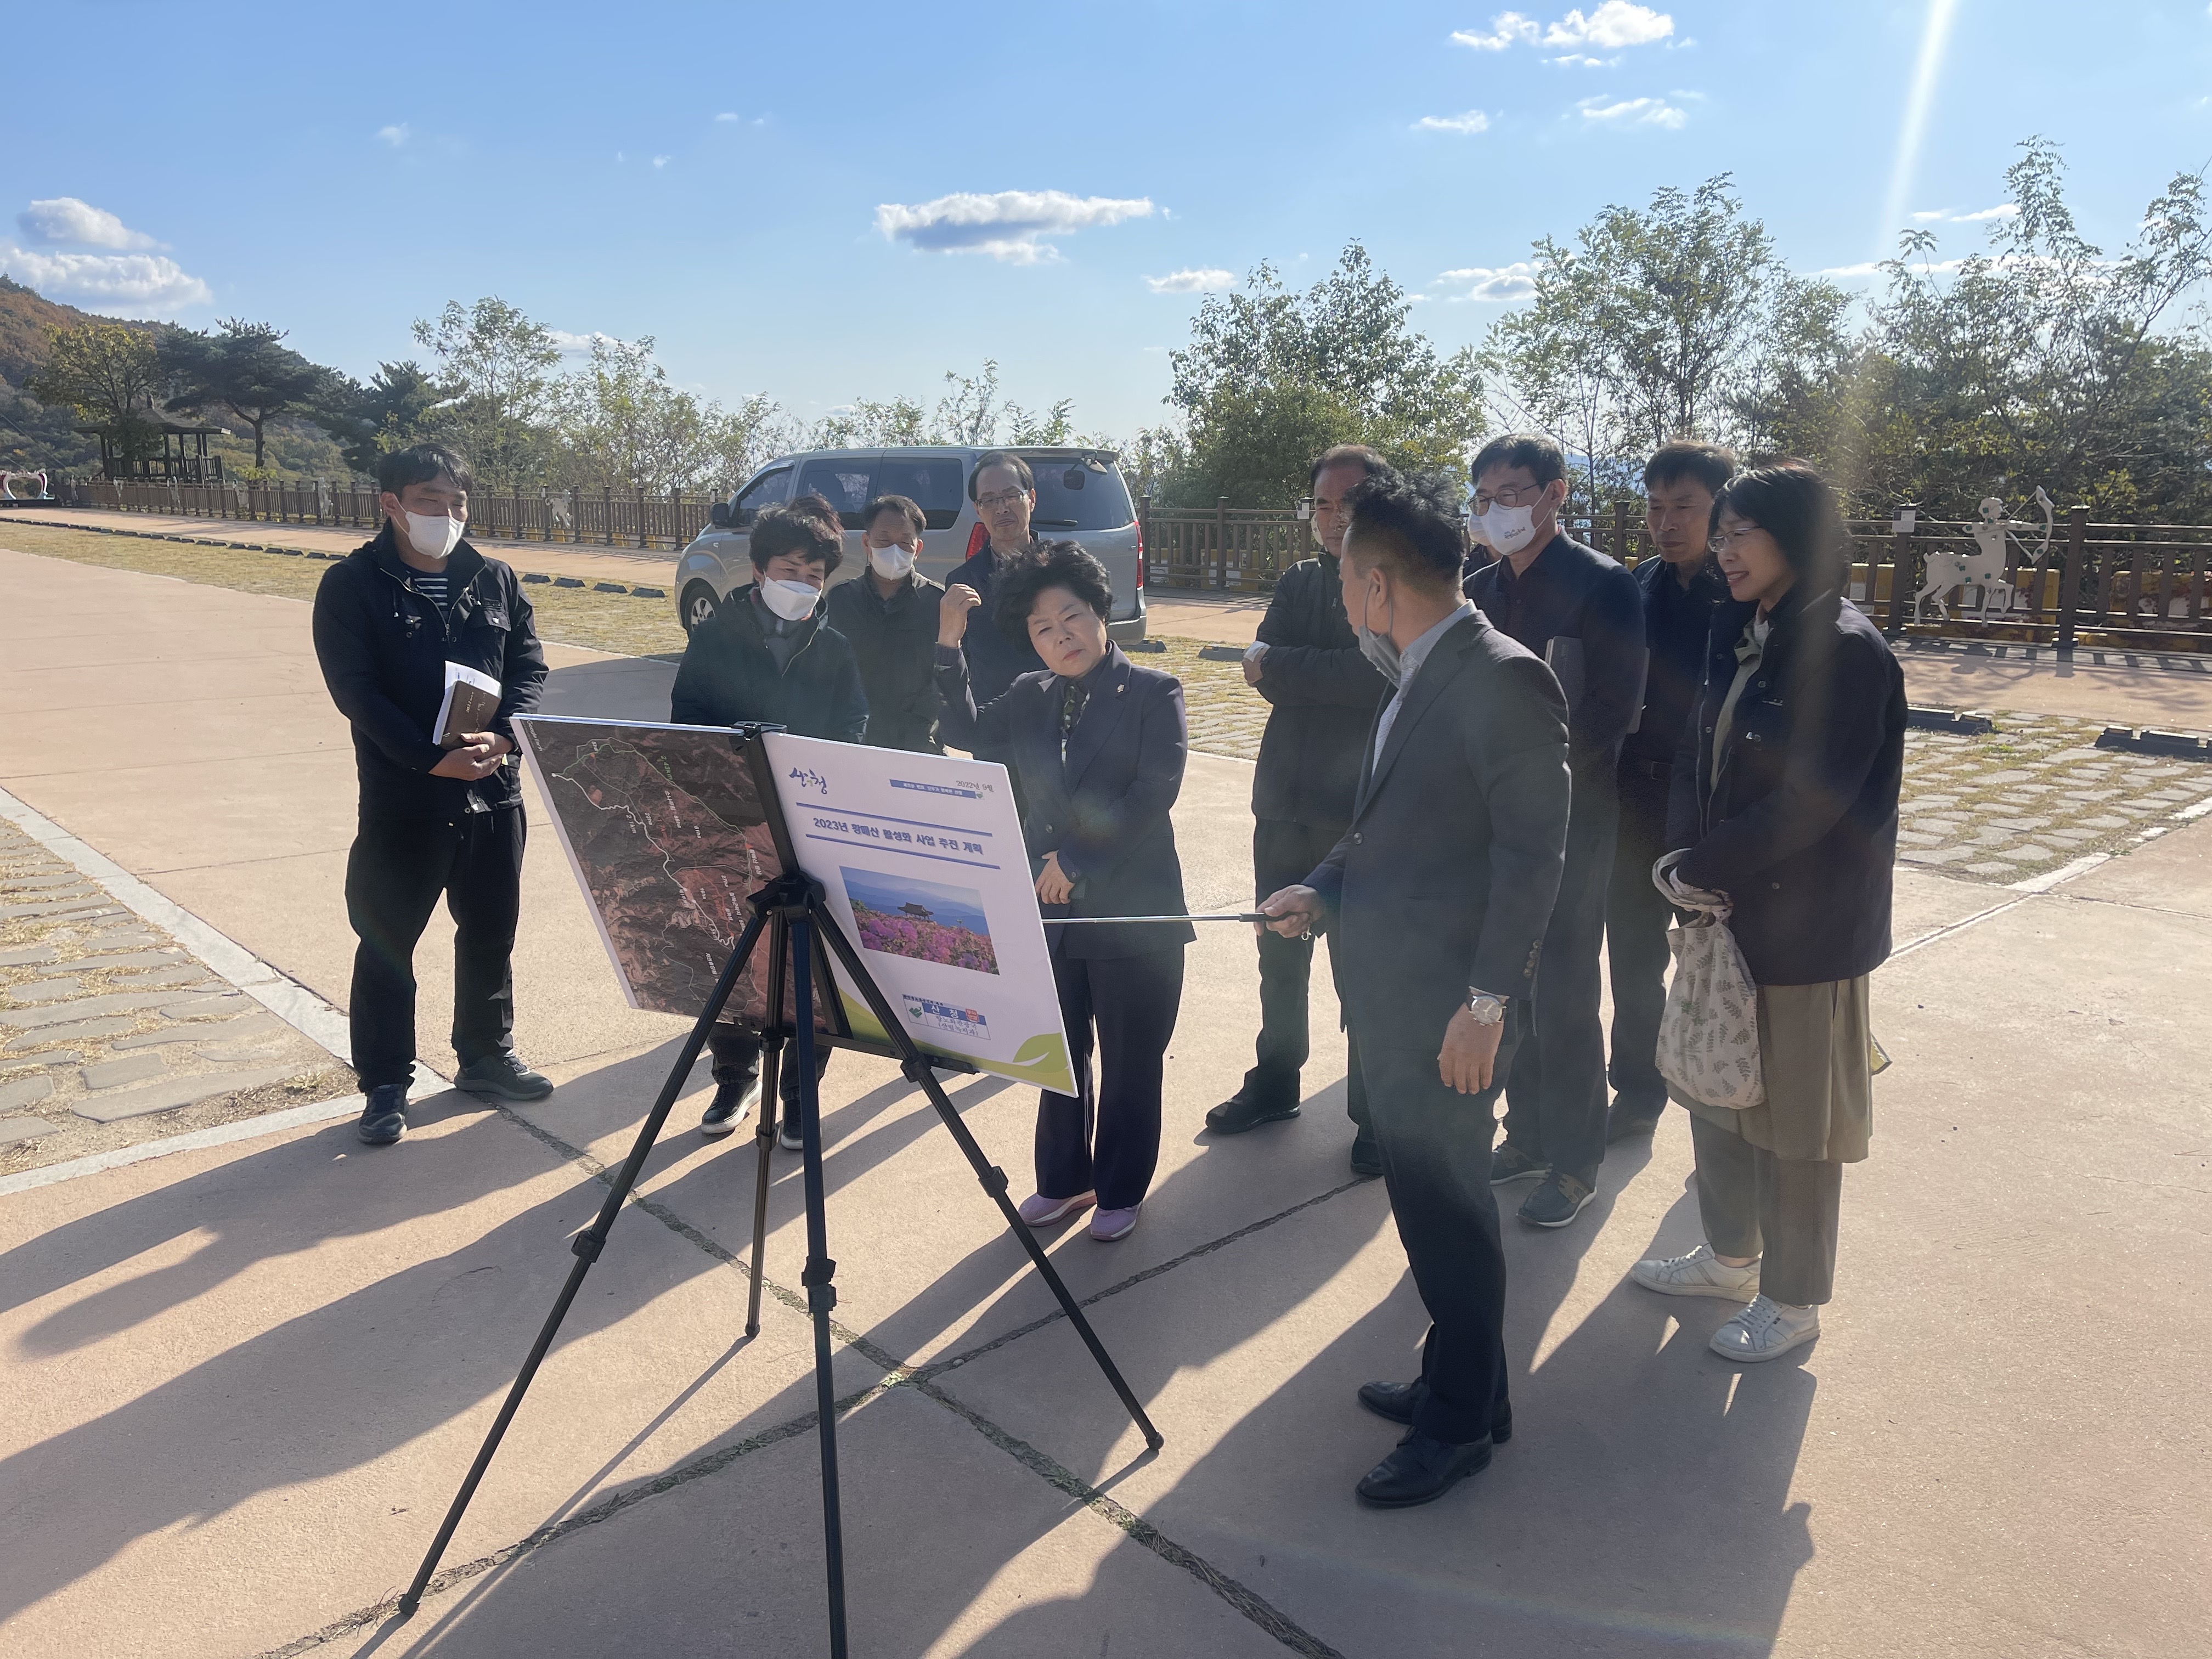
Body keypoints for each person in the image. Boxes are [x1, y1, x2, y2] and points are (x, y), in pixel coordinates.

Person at [1259, 473, 1569, 1509]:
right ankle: (1468, 1384)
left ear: (1376, 579)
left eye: (1344, 575)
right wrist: (1322, 885)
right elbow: (1388, 824)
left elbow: (1533, 860)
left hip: (1450, 1012)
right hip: (1392, 993)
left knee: (1449, 1213)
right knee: (1425, 1206)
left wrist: (1484, 1005)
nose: (1338, 593)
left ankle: (1457, 1429)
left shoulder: (1501, 678)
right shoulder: (1414, 668)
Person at [1629, 461, 1905, 1362]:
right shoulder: (1739, 630)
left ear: (1798, 537)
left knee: (1796, 1123)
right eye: (1724, 530)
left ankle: (1791, 1299)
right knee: (1716, 1088)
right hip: (1723, 911)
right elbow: (1687, 755)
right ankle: (1727, 1255)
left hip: (1805, 929)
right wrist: (1678, 856)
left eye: (1740, 529)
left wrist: (1702, 864)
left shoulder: (1846, 649)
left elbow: (1809, 804)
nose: (1722, 546)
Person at [935, 541, 1193, 1245]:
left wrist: (1075, 860)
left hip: (1133, 912)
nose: (1060, 637)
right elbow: (962, 730)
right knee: (1059, 1050)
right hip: (1050, 912)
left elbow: (1152, 793)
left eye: (1071, 618)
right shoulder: (1029, 696)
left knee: (1130, 1057)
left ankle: (1121, 1188)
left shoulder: (1153, 692)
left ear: (1100, 612)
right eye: (1043, 629)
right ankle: (1063, 1180)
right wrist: (948, 645)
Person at [311, 441, 553, 1147]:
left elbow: (530, 668)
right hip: (404, 801)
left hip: (492, 793)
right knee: (387, 943)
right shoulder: (352, 585)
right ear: (391, 504)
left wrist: (505, 738)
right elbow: (355, 692)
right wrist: (425, 760)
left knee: (489, 933)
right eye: (429, 502)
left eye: (457, 503)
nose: (446, 516)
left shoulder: (495, 579)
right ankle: (386, 1083)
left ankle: (486, 1057)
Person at [1463, 433, 1646, 1229]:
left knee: (1568, 990)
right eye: (1483, 497)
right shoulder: (1477, 589)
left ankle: (1576, 1162)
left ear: (1554, 495)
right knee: (1512, 983)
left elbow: (1612, 714)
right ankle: (1528, 1136)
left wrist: (1526, 768)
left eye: (1511, 493)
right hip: (1492, 823)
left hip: (1576, 816)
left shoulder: (1604, 588)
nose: (1497, 511)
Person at [1210, 445, 1394, 1171]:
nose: (1331, 516)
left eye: (1346, 502)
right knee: (1278, 951)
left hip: (1356, 811)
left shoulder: (1389, 585)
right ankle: (1276, 1080)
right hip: (1282, 799)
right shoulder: (1295, 581)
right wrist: (1294, 671)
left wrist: (1285, 667)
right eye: (1321, 502)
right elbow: (1270, 675)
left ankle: (1375, 1110)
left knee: (1360, 968)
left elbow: (1370, 676)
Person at [670, 495, 868, 1144]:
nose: (802, 586)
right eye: (790, 570)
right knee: (734, 949)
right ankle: (734, 1075)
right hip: (732, 818)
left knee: (809, 963)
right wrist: (736, 751)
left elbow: (852, 727)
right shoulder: (716, 637)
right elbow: (686, 722)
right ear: (758, 571)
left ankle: (799, 1095)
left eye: (815, 577)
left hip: (807, 824)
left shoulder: (835, 647)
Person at [1606, 441, 1736, 1144]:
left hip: (1706, 810)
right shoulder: (1639, 585)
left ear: (1720, 509)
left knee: (1718, 964)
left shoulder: (1740, 594)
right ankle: (1636, 1090)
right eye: (1656, 508)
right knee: (1630, 954)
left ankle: (1727, 1102)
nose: (1667, 522)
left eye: (1684, 507)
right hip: (1632, 801)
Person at [825, 493, 947, 753]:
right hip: (854, 739)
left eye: (905, 543)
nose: (895, 550)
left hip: (919, 742)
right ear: (867, 543)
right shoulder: (841, 599)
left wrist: (922, 728)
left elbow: (947, 676)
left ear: (918, 549)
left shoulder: (938, 603)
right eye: (884, 540)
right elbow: (827, 671)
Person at [944, 450, 1048, 711]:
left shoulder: (1063, 569)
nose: (1002, 508)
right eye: (989, 501)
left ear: (1031, 499)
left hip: (1057, 717)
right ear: (977, 509)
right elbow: (961, 658)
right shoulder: (963, 581)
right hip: (993, 721)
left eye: (1012, 496)